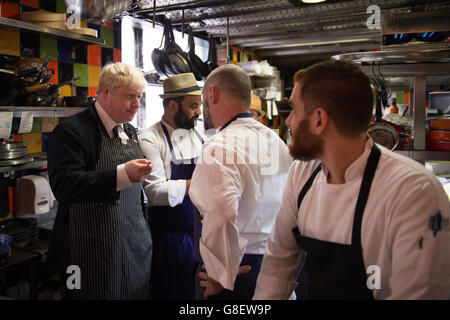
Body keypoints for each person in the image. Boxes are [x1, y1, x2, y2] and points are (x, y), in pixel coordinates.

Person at [253, 59, 450, 300]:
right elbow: (278, 266)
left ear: (319, 120)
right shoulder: (301, 173)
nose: (289, 121)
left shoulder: (413, 190)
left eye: (294, 110)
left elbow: (418, 294)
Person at [47, 62, 153, 300]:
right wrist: (123, 174)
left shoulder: (130, 130)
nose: (137, 104)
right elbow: (64, 185)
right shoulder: (72, 131)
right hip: (87, 252)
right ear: (105, 92)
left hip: (133, 245)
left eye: (139, 96)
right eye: (129, 96)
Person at [189, 64, 292, 300]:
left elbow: (221, 214)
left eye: (204, 98)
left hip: (235, 273)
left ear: (212, 94)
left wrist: (219, 273)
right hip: (273, 262)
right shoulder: (274, 140)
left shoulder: (218, 146)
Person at [139, 72, 205, 300]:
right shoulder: (151, 138)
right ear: (173, 106)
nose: (199, 112)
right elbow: (155, 193)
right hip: (171, 240)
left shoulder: (201, 132)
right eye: (193, 106)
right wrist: (200, 181)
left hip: (204, 236)